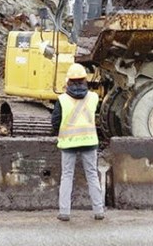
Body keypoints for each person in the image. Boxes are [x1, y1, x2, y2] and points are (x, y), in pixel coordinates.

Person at [51, 62, 105, 221]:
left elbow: (55, 121)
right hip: (89, 142)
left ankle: (65, 212)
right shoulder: (94, 97)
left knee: (67, 176)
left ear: (68, 81)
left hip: (68, 143)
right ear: (84, 80)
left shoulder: (62, 100)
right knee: (92, 175)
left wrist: (60, 134)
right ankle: (99, 211)